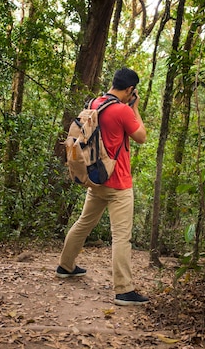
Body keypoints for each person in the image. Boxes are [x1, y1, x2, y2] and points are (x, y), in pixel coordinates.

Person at [56, 67, 149, 306]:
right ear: (130, 89)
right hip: (118, 184)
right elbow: (141, 137)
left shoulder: (95, 102)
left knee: (83, 223)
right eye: (132, 92)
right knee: (121, 237)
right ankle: (124, 290)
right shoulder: (122, 110)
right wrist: (135, 107)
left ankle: (65, 266)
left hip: (95, 178)